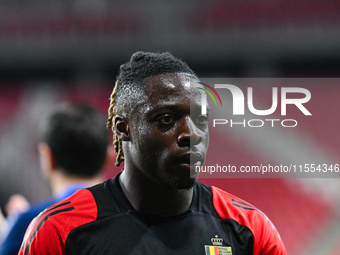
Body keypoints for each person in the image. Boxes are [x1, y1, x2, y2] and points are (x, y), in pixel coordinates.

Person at [19, 52, 287, 255]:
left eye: (200, 119)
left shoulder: (250, 230)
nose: (191, 134)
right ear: (123, 128)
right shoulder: (58, 231)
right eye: (167, 119)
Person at [0, 103, 111, 255]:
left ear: (48, 157)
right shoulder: (132, 219)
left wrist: (13, 232)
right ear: (108, 157)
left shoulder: (32, 224)